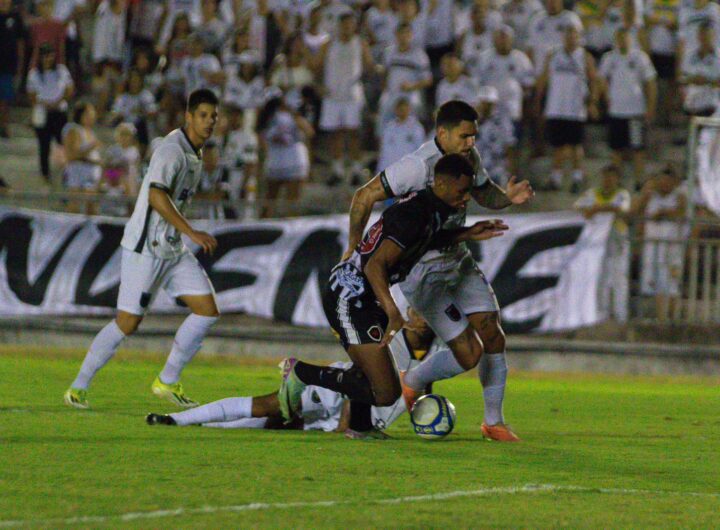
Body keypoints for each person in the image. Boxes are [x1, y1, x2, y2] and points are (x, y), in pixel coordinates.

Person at [336, 100, 532, 441]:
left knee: (493, 333)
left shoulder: (469, 159)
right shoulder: (416, 167)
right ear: (442, 133)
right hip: (423, 270)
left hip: (457, 256)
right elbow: (364, 195)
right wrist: (353, 245)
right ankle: (412, 381)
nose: (470, 143)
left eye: (474, 136)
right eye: (464, 136)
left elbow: (485, 192)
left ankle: (493, 422)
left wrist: (507, 199)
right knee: (469, 353)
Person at [279, 153, 510, 439]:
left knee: (369, 370)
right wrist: (392, 311)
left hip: (364, 297)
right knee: (385, 393)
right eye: (462, 191)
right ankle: (301, 372)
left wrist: (466, 233)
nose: (466, 199)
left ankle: (360, 428)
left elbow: (427, 241)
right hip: (350, 298)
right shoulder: (414, 213)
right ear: (440, 182)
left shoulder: (432, 209)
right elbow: (375, 264)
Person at [63, 89, 221, 410]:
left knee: (207, 310)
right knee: (128, 323)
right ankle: (77, 388)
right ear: (189, 116)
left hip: (171, 248)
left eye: (213, 116)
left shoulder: (196, 152)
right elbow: (156, 197)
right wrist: (192, 231)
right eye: (203, 115)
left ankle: (167, 380)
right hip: (145, 247)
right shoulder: (172, 150)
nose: (209, 122)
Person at [535, 24, 599, 192]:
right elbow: (543, 78)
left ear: (579, 37)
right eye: (568, 35)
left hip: (575, 108)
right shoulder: (553, 55)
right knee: (558, 145)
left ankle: (577, 178)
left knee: (575, 145)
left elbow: (593, 80)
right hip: (556, 107)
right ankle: (555, 178)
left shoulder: (585, 57)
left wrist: (592, 102)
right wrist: (538, 100)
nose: (571, 38)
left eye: (574, 35)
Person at [314, 11, 375, 186]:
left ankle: (356, 169)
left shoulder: (360, 43)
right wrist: (319, 86)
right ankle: (337, 170)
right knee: (336, 133)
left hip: (352, 95)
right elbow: (316, 66)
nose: (348, 27)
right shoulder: (328, 44)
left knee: (354, 133)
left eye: (351, 24)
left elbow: (370, 66)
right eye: (345, 24)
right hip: (332, 95)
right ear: (339, 25)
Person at [598, 27, 657, 188]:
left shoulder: (640, 57)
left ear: (631, 39)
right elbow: (601, 79)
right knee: (616, 149)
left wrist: (651, 106)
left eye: (625, 38)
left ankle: (639, 180)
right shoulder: (609, 58)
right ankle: (616, 182)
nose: (622, 41)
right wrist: (605, 97)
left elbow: (650, 82)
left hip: (636, 111)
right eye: (619, 38)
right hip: (616, 110)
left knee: (638, 148)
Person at [574, 164, 631, 322]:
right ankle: (601, 314)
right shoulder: (593, 193)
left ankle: (621, 315)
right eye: (606, 176)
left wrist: (597, 209)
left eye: (612, 177)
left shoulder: (622, 194)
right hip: (598, 242)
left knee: (619, 278)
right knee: (600, 277)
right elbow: (578, 207)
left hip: (617, 240)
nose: (608, 180)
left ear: (617, 179)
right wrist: (592, 209)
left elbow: (621, 209)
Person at [634, 166, 687, 320]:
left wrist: (663, 213)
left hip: (672, 248)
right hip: (652, 248)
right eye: (661, 180)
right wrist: (644, 193)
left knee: (672, 284)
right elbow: (637, 212)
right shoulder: (650, 197)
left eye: (668, 181)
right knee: (654, 284)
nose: (664, 184)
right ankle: (660, 318)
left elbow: (681, 213)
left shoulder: (679, 197)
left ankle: (671, 318)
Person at [256, 95, 314, 218]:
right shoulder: (267, 118)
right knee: (269, 201)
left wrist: (294, 115)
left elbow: (309, 132)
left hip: (294, 161)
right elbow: (261, 140)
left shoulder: (294, 116)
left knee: (292, 203)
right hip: (275, 162)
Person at [26, 44, 74, 182]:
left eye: (50, 55)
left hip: (59, 111)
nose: (48, 58)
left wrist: (59, 101)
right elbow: (31, 95)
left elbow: (70, 88)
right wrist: (44, 104)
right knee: (44, 145)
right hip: (43, 112)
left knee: (62, 143)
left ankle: (65, 172)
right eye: (45, 55)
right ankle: (45, 174)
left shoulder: (62, 71)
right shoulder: (34, 74)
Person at [62, 101, 103, 213]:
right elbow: (72, 155)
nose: (93, 115)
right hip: (77, 173)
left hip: (92, 174)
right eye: (90, 112)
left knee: (92, 208)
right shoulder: (74, 129)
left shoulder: (90, 131)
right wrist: (91, 147)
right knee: (74, 207)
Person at [375, 97, 425, 174]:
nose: (402, 112)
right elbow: (384, 151)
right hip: (390, 168)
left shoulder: (416, 128)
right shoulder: (389, 128)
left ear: (409, 109)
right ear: (395, 110)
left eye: (404, 109)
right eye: (400, 109)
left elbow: (420, 150)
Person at [0, 0, 26, 139]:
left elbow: (20, 42)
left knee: (5, 98)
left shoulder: (16, 18)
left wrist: (20, 64)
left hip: (8, 65)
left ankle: (4, 126)